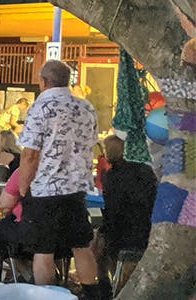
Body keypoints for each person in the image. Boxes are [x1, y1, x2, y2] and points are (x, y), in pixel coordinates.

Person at [15, 60, 107, 297]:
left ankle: (46, 295)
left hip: (46, 187)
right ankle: (92, 292)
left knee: (43, 250)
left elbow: (30, 154)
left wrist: (23, 187)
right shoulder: (86, 107)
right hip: (77, 188)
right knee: (81, 245)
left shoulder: (41, 107)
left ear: (43, 81)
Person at [96, 135, 156, 285]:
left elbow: (113, 210)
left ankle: (105, 284)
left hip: (121, 232)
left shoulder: (111, 176)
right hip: (146, 227)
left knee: (96, 246)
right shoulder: (146, 170)